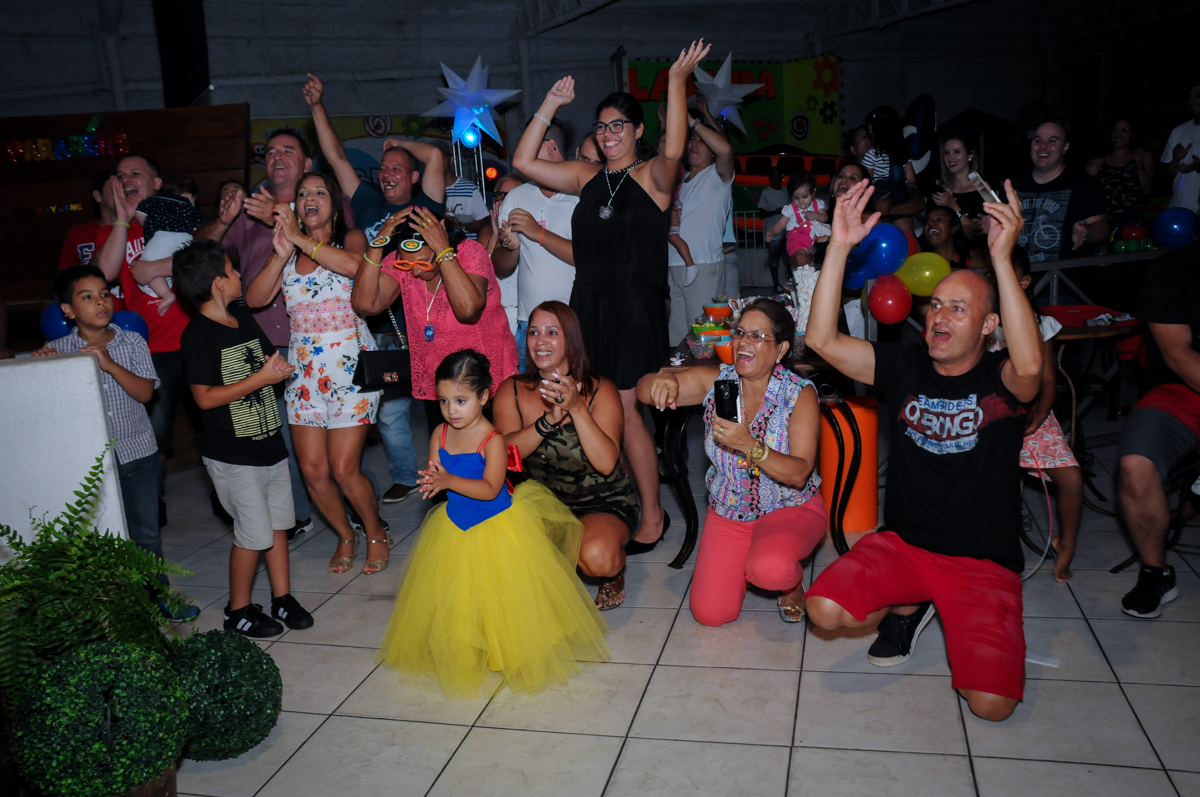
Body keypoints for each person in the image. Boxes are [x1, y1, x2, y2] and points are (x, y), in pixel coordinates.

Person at [804, 178, 1044, 723]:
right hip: (905, 546)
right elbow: (821, 341)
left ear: (989, 326)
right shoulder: (905, 363)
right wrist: (839, 247)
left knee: (992, 708)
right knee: (823, 609)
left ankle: (934, 606)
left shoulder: (1002, 381)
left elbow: (1031, 368)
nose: (940, 317)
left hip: (982, 565)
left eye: (959, 309)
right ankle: (912, 603)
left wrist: (1002, 259)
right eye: (937, 305)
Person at [511, 40, 714, 549]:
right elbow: (523, 159)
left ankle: (652, 517)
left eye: (618, 125)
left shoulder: (654, 176)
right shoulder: (587, 177)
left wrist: (674, 82)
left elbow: (674, 147)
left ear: (637, 130)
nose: (607, 134)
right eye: (601, 126)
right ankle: (615, 505)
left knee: (624, 414)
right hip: (588, 304)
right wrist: (551, 106)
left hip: (633, 307)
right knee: (594, 410)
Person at [377, 349, 610, 699]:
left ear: (483, 397)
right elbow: (435, 470)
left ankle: (516, 650)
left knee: (505, 595)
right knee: (461, 595)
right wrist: (430, 479)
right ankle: (474, 645)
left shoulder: (493, 440)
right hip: (456, 526)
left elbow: (489, 489)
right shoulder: (440, 432)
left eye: (460, 400)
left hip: (497, 528)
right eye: (443, 401)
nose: (451, 410)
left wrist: (448, 482)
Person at [304, 73, 447, 505]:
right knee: (391, 414)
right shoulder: (366, 203)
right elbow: (335, 156)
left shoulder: (426, 206)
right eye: (384, 169)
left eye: (396, 169)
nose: (387, 175)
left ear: (412, 176)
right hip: (376, 326)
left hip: (425, 324)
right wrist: (316, 107)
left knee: (444, 406)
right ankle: (406, 475)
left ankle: (452, 475)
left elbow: (436, 156)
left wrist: (395, 141)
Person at [639, 299, 826, 626]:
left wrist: (750, 446)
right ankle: (750, 558)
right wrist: (662, 379)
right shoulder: (719, 382)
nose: (743, 342)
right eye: (740, 333)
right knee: (711, 614)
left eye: (757, 336)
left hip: (789, 507)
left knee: (770, 569)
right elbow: (645, 391)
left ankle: (790, 582)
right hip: (730, 511)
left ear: (781, 349)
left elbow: (798, 473)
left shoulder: (799, 394)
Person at [244, 173, 391, 576]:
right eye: (303, 193)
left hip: (351, 367)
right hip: (303, 372)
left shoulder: (354, 239)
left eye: (319, 192)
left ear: (334, 204)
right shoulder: (288, 251)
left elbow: (361, 268)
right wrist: (280, 252)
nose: (310, 198)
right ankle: (346, 535)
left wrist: (302, 240)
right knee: (311, 469)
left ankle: (375, 531)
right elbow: (255, 298)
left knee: (344, 467)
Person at [34, 265, 197, 621]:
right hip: (91, 463)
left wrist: (107, 363)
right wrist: (42, 369)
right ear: (68, 310)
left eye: (105, 294)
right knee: (103, 538)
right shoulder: (58, 350)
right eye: (87, 297)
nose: (100, 302)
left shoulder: (131, 341)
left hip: (139, 454)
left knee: (146, 535)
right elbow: (52, 407)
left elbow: (144, 391)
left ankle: (161, 598)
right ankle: (120, 609)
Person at [201, 129, 344, 535]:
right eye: (271, 151)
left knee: (340, 441)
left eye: (289, 150)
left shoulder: (323, 203)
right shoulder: (247, 211)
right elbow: (202, 256)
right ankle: (298, 518)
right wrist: (226, 219)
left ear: (307, 164)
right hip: (264, 346)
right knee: (286, 435)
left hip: (330, 345)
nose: (277, 156)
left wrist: (284, 219)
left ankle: (348, 511)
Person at [174, 239, 314, 638]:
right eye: (233, 271)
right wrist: (262, 378)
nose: (240, 276)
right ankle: (237, 610)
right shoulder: (198, 334)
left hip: (268, 442)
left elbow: (268, 361)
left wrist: (280, 368)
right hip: (233, 453)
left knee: (277, 526)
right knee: (251, 534)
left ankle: (282, 598)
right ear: (218, 283)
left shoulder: (242, 317)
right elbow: (204, 397)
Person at [494, 301, 640, 609]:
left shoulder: (602, 390)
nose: (540, 341)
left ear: (571, 340)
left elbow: (605, 463)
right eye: (533, 332)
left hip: (602, 501)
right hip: (540, 502)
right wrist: (547, 421)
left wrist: (575, 408)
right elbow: (505, 454)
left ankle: (612, 572)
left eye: (552, 332)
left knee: (598, 558)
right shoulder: (513, 390)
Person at [351, 206, 519, 432]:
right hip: (439, 382)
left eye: (423, 263)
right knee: (445, 455)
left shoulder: (470, 253)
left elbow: (468, 311)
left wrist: (443, 249)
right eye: (406, 264)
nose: (416, 272)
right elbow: (364, 304)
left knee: (490, 456)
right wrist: (376, 245)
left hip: (482, 379)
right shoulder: (405, 262)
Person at [93, 155, 193, 476]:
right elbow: (105, 273)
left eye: (135, 174)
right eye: (120, 176)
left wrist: (153, 267)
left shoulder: (176, 213)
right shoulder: (114, 231)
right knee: (155, 437)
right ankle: (154, 509)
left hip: (196, 337)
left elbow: (206, 255)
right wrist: (122, 219)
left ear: (156, 184)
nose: (126, 181)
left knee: (216, 428)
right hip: (152, 348)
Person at [1116, 238, 1200, 617]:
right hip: (1181, 389)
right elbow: (1177, 353)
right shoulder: (1174, 269)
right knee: (1136, 464)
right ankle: (1156, 571)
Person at [989, 247, 1082, 582]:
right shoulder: (985, 321)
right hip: (991, 416)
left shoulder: (1040, 324)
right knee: (994, 485)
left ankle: (1065, 544)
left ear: (1025, 282)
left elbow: (1048, 380)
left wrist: (1039, 418)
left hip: (1033, 417)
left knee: (1071, 478)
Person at [493, 120, 580, 371]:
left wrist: (537, 232)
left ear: (550, 146)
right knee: (531, 402)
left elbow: (591, 257)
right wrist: (511, 247)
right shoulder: (517, 196)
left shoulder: (580, 194)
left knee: (579, 399)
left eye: (530, 144)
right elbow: (501, 268)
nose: (522, 153)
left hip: (575, 322)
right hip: (528, 324)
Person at [665, 93, 735, 345]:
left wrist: (693, 120)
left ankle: (706, 384)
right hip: (674, 268)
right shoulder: (679, 181)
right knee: (678, 341)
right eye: (691, 140)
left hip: (703, 267)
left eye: (701, 140)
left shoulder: (718, 178)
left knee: (704, 342)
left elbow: (725, 148)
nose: (694, 144)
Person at [1010, 121, 1109, 263]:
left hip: (1062, 280)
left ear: (1065, 147)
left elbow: (1103, 229)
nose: (1043, 146)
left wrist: (1087, 232)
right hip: (1017, 280)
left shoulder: (1083, 183)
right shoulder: (1013, 184)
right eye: (1038, 140)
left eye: (1052, 141)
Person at [134, 172, 207, 317]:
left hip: (162, 237)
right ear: (189, 195)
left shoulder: (153, 201)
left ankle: (166, 294)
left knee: (144, 265)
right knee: (189, 266)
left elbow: (139, 215)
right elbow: (202, 226)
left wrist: (150, 225)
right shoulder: (189, 207)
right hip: (186, 238)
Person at [860, 107, 924, 235]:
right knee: (907, 236)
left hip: (880, 196)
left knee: (879, 232)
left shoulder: (872, 154)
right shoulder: (902, 153)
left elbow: (866, 180)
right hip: (901, 196)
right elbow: (911, 178)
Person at [1086, 119, 1153, 229]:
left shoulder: (1142, 156)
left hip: (1134, 219)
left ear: (1132, 135)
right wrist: (1092, 176)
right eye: (1115, 130)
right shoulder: (1099, 162)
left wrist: (1139, 165)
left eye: (1125, 130)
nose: (1119, 134)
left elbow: (1147, 190)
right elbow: (1090, 194)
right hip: (1105, 219)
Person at [764, 170, 831, 267]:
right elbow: (782, 223)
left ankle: (818, 273)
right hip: (797, 240)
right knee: (804, 260)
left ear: (813, 192)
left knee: (827, 240)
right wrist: (773, 232)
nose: (801, 201)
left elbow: (825, 217)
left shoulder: (817, 204)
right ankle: (804, 277)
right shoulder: (791, 208)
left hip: (813, 238)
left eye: (804, 196)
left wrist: (816, 215)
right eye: (796, 198)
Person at [930, 135, 985, 242]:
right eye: (946, 153)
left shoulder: (983, 189)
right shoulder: (939, 192)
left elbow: (976, 236)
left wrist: (953, 206)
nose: (950, 158)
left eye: (957, 152)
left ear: (970, 155)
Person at [1161, 84, 1200, 212]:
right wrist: (1175, 160)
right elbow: (1165, 175)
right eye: (1190, 97)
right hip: (1180, 208)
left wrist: (1197, 166)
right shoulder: (1179, 131)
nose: (1192, 101)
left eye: (1198, 96)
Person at [758, 166, 790, 291]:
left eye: (779, 175)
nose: (777, 177)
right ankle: (776, 284)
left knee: (789, 260)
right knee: (774, 261)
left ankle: (791, 284)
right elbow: (761, 214)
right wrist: (775, 211)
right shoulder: (766, 192)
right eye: (774, 175)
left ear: (782, 177)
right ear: (770, 178)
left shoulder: (786, 191)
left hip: (787, 233)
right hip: (773, 233)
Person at [443, 156, 490, 240]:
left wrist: (462, 225)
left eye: (442, 157)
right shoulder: (428, 190)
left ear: (451, 160)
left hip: (466, 250)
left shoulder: (469, 188)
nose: (437, 161)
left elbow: (483, 222)